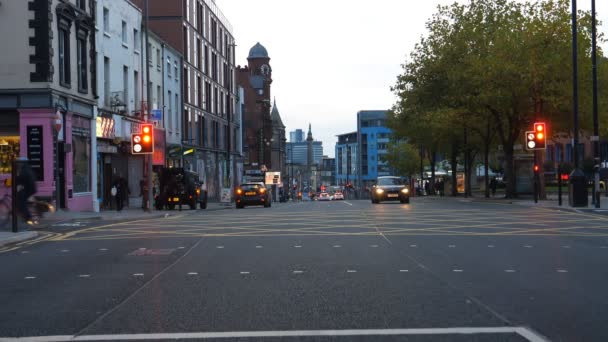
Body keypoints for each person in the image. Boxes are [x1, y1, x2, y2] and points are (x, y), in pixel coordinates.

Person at [16, 159, 37, 223]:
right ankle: (24, 214)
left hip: (29, 189)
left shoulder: (24, 171)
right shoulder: (28, 169)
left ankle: (27, 217)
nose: (19, 164)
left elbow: (20, 179)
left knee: (22, 202)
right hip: (31, 188)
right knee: (21, 197)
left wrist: (15, 180)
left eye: (20, 163)